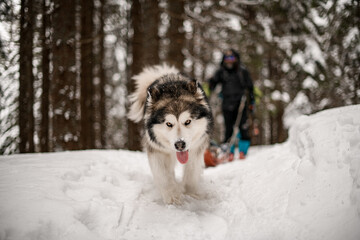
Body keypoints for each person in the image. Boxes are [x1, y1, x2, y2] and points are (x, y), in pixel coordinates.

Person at [209, 49, 255, 160]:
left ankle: (242, 151)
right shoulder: (221, 71)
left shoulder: (242, 71)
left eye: (231, 58)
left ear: (236, 59)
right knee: (228, 128)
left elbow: (250, 88)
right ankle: (229, 151)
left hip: (241, 104)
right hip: (226, 103)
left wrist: (251, 103)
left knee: (243, 127)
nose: (229, 61)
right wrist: (211, 84)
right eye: (227, 58)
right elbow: (212, 84)